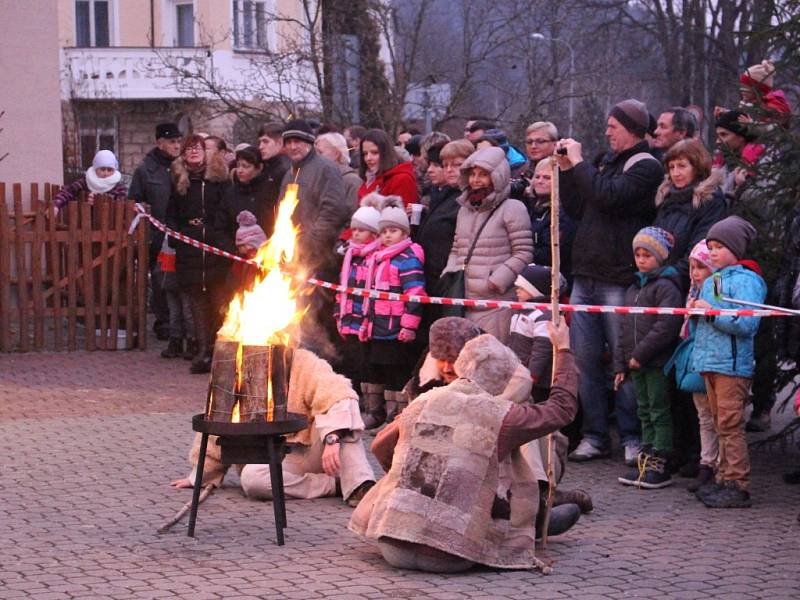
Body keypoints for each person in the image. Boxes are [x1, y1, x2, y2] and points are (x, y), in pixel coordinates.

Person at [349, 323, 579, 573]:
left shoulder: (422, 401)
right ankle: (533, 522)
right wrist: (563, 349)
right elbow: (562, 408)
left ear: (461, 366)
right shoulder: (502, 416)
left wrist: (406, 480)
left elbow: (379, 445)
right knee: (493, 485)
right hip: (449, 555)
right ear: (502, 381)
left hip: (392, 547)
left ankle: (539, 516)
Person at [555, 98, 664, 464]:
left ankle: (632, 436)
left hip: (619, 277)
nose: (606, 132)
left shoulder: (646, 167)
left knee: (624, 362)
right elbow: (578, 206)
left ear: (632, 129)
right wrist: (568, 171)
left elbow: (607, 196)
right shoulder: (604, 162)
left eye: (612, 127)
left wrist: (582, 164)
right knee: (585, 361)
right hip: (585, 276)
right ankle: (595, 435)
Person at [171, 345, 376, 507]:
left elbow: (339, 392)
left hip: (313, 448)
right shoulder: (238, 366)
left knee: (343, 422)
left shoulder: (304, 362)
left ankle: (362, 487)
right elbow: (219, 422)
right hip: (278, 457)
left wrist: (332, 438)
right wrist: (201, 475)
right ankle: (334, 485)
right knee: (252, 480)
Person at [691, 216, 766, 508]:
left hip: (731, 367)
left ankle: (738, 483)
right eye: (710, 246)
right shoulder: (712, 280)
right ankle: (722, 478)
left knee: (731, 424)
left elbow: (747, 324)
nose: (712, 252)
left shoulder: (747, 282)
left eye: (719, 246)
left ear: (736, 248)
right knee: (720, 424)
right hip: (710, 363)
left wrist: (711, 313)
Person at [614, 227, 683, 489]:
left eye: (647, 255)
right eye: (638, 254)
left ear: (661, 257)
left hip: (655, 362)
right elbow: (623, 326)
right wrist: (621, 363)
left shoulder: (666, 287)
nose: (641, 260)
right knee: (643, 410)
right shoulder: (634, 288)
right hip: (635, 364)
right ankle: (646, 460)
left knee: (658, 410)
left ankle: (660, 462)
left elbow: (665, 326)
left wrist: (640, 355)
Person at [443, 146, 533, 342]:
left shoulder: (513, 208)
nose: (475, 180)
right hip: (464, 299)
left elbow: (524, 253)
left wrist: (496, 280)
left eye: (483, 174)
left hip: (496, 302)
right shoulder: (464, 210)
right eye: (472, 174)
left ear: (498, 176)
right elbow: (457, 247)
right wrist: (451, 271)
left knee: (492, 359)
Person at [278, 119, 350, 356]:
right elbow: (282, 213)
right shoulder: (289, 173)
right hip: (293, 258)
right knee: (297, 318)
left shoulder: (325, 169)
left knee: (315, 320)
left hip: (319, 258)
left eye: (297, 141)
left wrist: (309, 243)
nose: (292, 146)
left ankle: (325, 371)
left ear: (309, 143)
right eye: (288, 142)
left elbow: (334, 211)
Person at [165, 134, 230, 374]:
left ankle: (221, 352)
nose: (193, 152)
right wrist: (176, 235)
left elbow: (226, 208)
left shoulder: (219, 179)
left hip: (215, 247)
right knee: (196, 301)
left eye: (197, 148)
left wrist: (216, 233)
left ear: (205, 152)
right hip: (189, 248)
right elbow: (170, 213)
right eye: (188, 149)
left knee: (219, 301)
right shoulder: (178, 181)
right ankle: (203, 349)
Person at [359, 198, 426, 428]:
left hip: (396, 327)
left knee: (395, 371)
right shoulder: (377, 258)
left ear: (404, 232)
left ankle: (395, 414)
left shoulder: (408, 260)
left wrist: (408, 325)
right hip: (376, 325)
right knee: (375, 367)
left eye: (393, 231)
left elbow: (415, 293)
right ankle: (373, 411)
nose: (387, 236)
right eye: (384, 231)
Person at [670, 240, 720, 493]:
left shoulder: (718, 290)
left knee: (719, 416)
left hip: (717, 361)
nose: (695, 273)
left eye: (701, 267)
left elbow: (724, 319)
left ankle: (720, 467)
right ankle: (706, 463)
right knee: (703, 416)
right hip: (698, 360)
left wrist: (707, 312)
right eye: (692, 267)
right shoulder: (692, 293)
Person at [129, 122, 183, 341]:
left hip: (182, 232)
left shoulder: (183, 166)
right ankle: (164, 322)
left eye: (179, 141)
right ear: (159, 143)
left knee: (181, 280)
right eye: (172, 142)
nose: (177, 146)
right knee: (161, 279)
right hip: (158, 235)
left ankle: (180, 323)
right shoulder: (145, 170)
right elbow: (134, 201)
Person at [653, 139, 727, 289]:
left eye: (681, 166)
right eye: (671, 167)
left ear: (697, 167)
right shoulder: (666, 197)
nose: (675, 173)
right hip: (663, 279)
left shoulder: (710, 200)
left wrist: (670, 272)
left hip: (696, 283)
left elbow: (702, 247)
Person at [335, 196, 382, 404]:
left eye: (360, 230)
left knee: (366, 363)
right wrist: (339, 312)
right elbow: (341, 287)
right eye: (353, 230)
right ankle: (352, 398)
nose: (355, 234)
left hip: (366, 319)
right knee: (350, 360)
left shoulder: (376, 256)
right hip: (348, 318)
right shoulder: (349, 255)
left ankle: (369, 403)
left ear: (373, 234)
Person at [414, 139, 473, 293]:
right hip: (432, 278)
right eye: (445, 165)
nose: (449, 169)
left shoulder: (469, 200)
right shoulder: (443, 195)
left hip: (451, 279)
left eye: (456, 165)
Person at [508, 264, 559, 403]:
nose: (517, 291)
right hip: (520, 373)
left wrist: (533, 375)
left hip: (538, 380)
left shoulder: (543, 316)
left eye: (522, 288)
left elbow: (541, 350)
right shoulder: (519, 311)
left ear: (534, 291)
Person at [524, 157, 576, 280]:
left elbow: (551, 254)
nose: (540, 181)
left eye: (547, 178)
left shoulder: (565, 213)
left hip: (554, 279)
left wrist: (521, 254)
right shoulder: (531, 207)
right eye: (537, 177)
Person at [357, 129, 419, 206]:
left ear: (386, 153)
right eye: (365, 154)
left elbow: (402, 215)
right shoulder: (370, 178)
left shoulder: (401, 179)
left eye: (375, 152)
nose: (368, 158)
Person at [53, 149, 127, 213]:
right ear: (95, 168)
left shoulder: (119, 188)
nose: (106, 173)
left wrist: (100, 202)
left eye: (109, 170)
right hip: (84, 224)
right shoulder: (85, 182)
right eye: (102, 169)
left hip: (110, 226)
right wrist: (56, 205)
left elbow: (121, 207)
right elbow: (68, 191)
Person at [256, 122, 292, 234]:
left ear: (280, 142)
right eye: (260, 142)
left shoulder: (284, 170)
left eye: (265, 141)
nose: (260, 147)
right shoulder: (269, 168)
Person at [315, 132, 363, 210]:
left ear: (337, 154)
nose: (316, 157)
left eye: (320, 152)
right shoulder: (319, 180)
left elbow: (354, 217)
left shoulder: (352, 182)